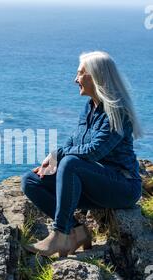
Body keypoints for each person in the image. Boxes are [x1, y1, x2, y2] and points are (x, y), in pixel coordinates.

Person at [21, 51, 143, 257]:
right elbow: (75, 141)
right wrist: (53, 160)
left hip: (123, 186)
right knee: (32, 180)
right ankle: (78, 231)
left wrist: (59, 155)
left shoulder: (117, 110)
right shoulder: (90, 107)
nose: (75, 79)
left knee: (70, 163)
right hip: (94, 182)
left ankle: (59, 235)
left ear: (96, 77)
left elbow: (94, 151)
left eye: (80, 74)